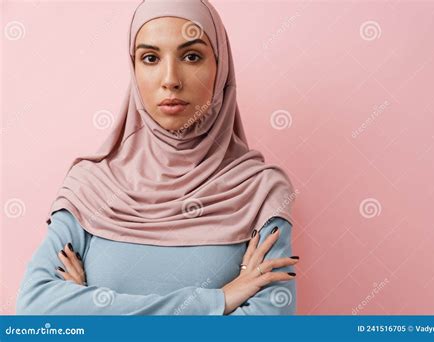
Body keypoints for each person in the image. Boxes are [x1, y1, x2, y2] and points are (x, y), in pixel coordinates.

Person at [16, 0, 299, 315]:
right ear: (133, 69)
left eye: (191, 56)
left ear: (220, 68)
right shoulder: (90, 184)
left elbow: (271, 325)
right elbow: (35, 308)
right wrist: (218, 301)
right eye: (150, 58)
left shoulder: (260, 190)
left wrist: (92, 306)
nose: (170, 79)